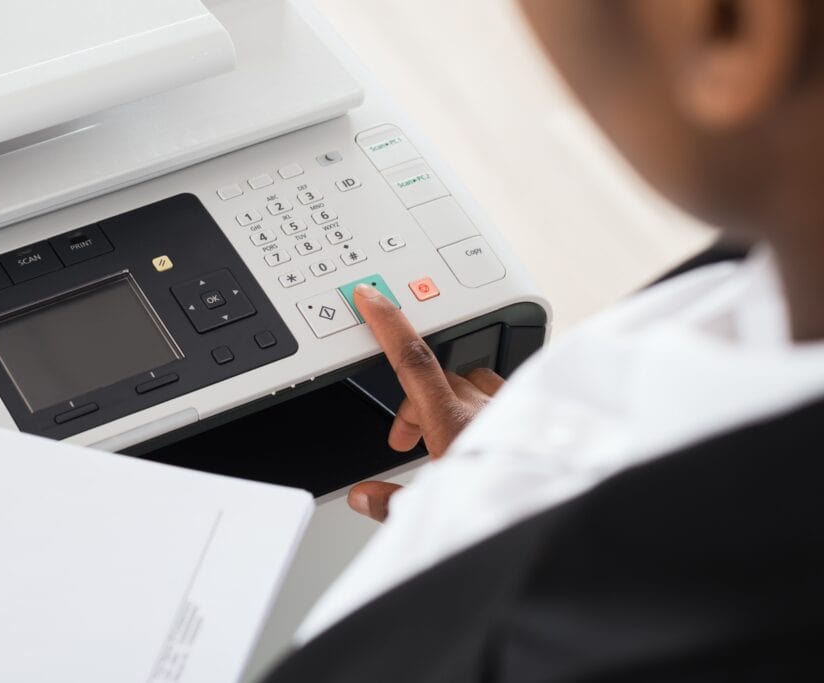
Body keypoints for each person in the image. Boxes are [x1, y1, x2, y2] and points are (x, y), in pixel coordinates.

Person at [262, 0, 824, 680]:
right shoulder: (780, 260)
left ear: (731, 24)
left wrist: (483, 553)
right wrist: (513, 478)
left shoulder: (637, 630)